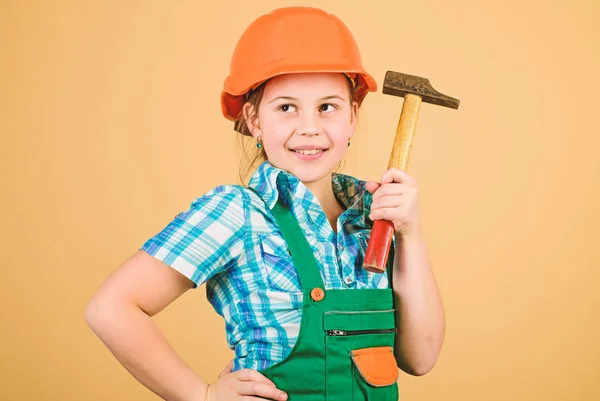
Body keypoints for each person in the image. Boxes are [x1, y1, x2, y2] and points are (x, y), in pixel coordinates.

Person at [85, 6, 445, 401]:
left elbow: (420, 358)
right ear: (254, 120)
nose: (309, 126)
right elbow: (111, 308)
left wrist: (410, 234)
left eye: (327, 107)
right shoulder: (237, 212)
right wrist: (202, 395)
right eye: (286, 107)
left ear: (352, 118)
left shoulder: (373, 218)